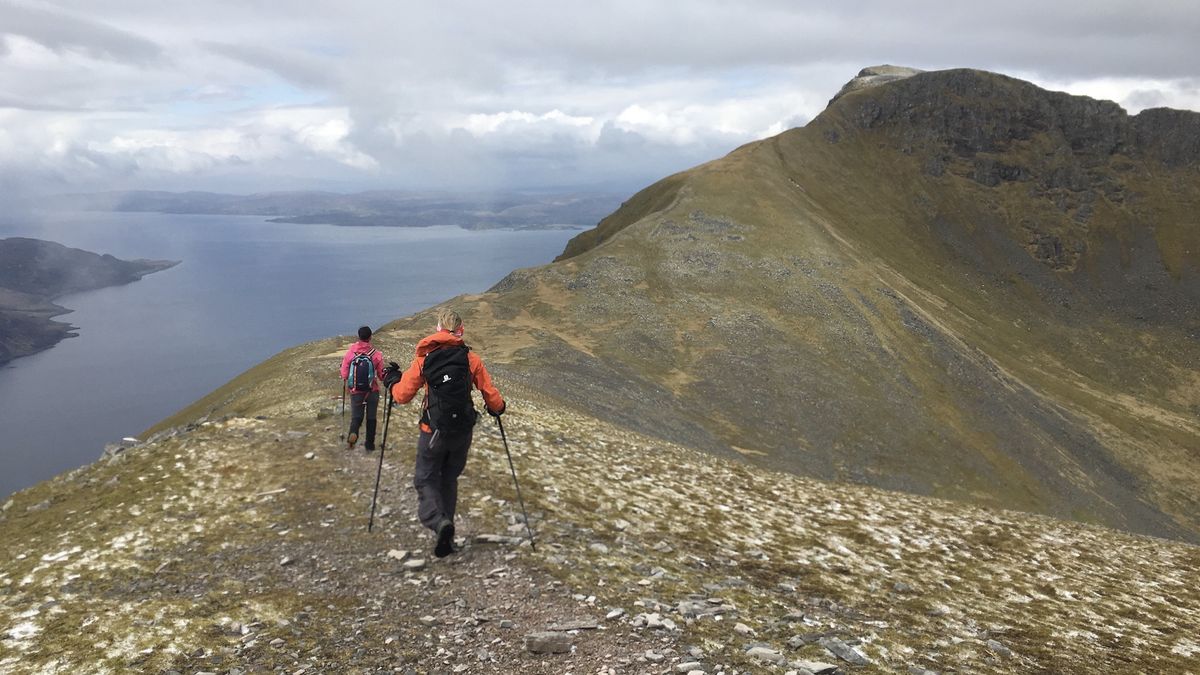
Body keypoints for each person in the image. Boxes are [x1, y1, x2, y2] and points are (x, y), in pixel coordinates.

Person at [382, 309, 505, 558]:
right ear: (461, 331)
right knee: (449, 479)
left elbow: (401, 396)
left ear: (438, 329)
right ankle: (447, 533)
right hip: (462, 432)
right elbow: (491, 396)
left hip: (432, 432)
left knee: (425, 480)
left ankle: (438, 523)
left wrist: (392, 380)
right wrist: (499, 408)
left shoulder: (424, 360)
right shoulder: (471, 359)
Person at [340, 326, 386, 451]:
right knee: (371, 418)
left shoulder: (350, 353)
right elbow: (382, 375)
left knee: (356, 416)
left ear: (359, 337)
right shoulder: (376, 354)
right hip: (372, 391)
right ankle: (369, 445)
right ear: (370, 337)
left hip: (356, 392)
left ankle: (352, 436)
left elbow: (344, 374)